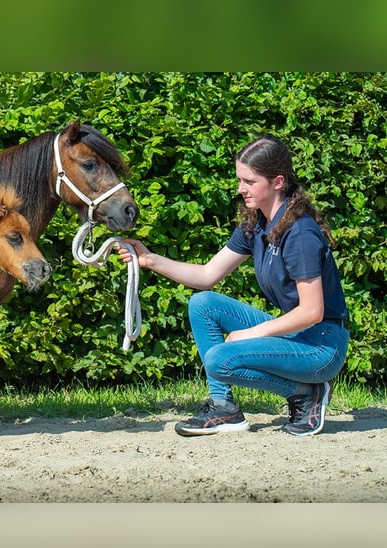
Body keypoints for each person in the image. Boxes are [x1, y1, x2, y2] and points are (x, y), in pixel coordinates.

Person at [118, 135, 349, 437]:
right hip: (298, 334)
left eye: (249, 181)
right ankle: (223, 407)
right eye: (240, 179)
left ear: (277, 181)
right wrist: (149, 259)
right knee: (203, 304)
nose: (241, 189)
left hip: (322, 346)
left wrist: (250, 333)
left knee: (219, 359)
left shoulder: (300, 234)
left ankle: (306, 393)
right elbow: (207, 275)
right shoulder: (258, 224)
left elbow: (312, 311)